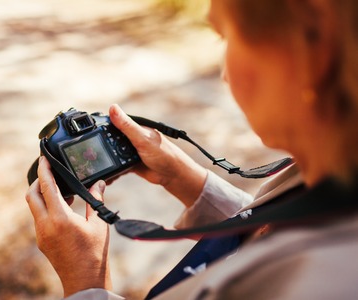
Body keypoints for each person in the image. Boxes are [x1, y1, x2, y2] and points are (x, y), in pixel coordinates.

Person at [25, 0, 358, 299]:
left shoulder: (327, 283)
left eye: (225, 36)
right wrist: (182, 177)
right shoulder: (331, 175)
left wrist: (85, 283)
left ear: (314, 44)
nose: (225, 74)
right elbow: (272, 231)